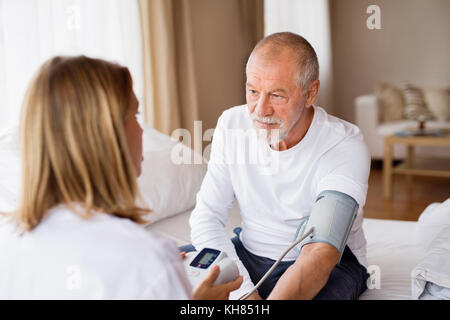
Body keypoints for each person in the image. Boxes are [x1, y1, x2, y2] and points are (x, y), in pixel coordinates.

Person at [0, 56, 242, 299]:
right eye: (135, 116)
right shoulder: (143, 260)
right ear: (106, 137)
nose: (141, 131)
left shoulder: (9, 247)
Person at [186, 32, 371, 300]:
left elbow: (320, 252)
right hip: (247, 253)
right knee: (165, 274)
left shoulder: (343, 144)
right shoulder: (232, 124)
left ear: (310, 93)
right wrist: (245, 295)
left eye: (277, 96)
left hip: (331, 265)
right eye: (252, 91)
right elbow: (207, 217)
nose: (260, 110)